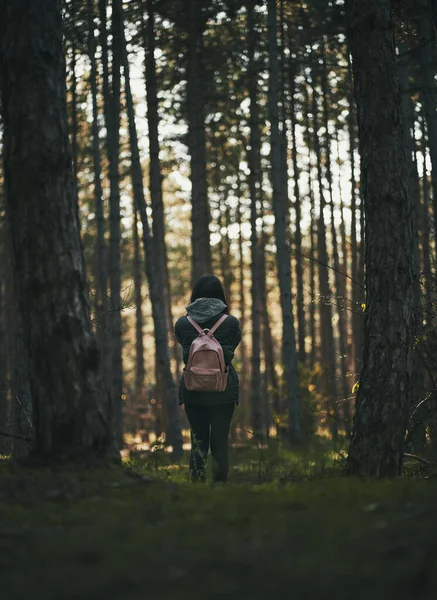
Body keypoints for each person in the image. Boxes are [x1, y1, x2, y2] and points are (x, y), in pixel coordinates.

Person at [175, 274, 242, 483]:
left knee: (198, 441)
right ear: (220, 295)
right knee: (220, 442)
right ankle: (220, 486)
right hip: (224, 389)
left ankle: (197, 487)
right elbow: (231, 349)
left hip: (193, 390)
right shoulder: (231, 323)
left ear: (195, 295)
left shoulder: (183, 323)